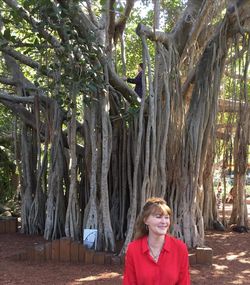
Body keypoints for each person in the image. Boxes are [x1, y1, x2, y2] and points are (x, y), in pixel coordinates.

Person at [123, 197, 190, 285]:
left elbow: (184, 282)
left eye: (166, 217)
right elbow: (129, 282)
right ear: (146, 220)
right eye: (158, 217)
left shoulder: (180, 248)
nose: (164, 222)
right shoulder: (133, 249)